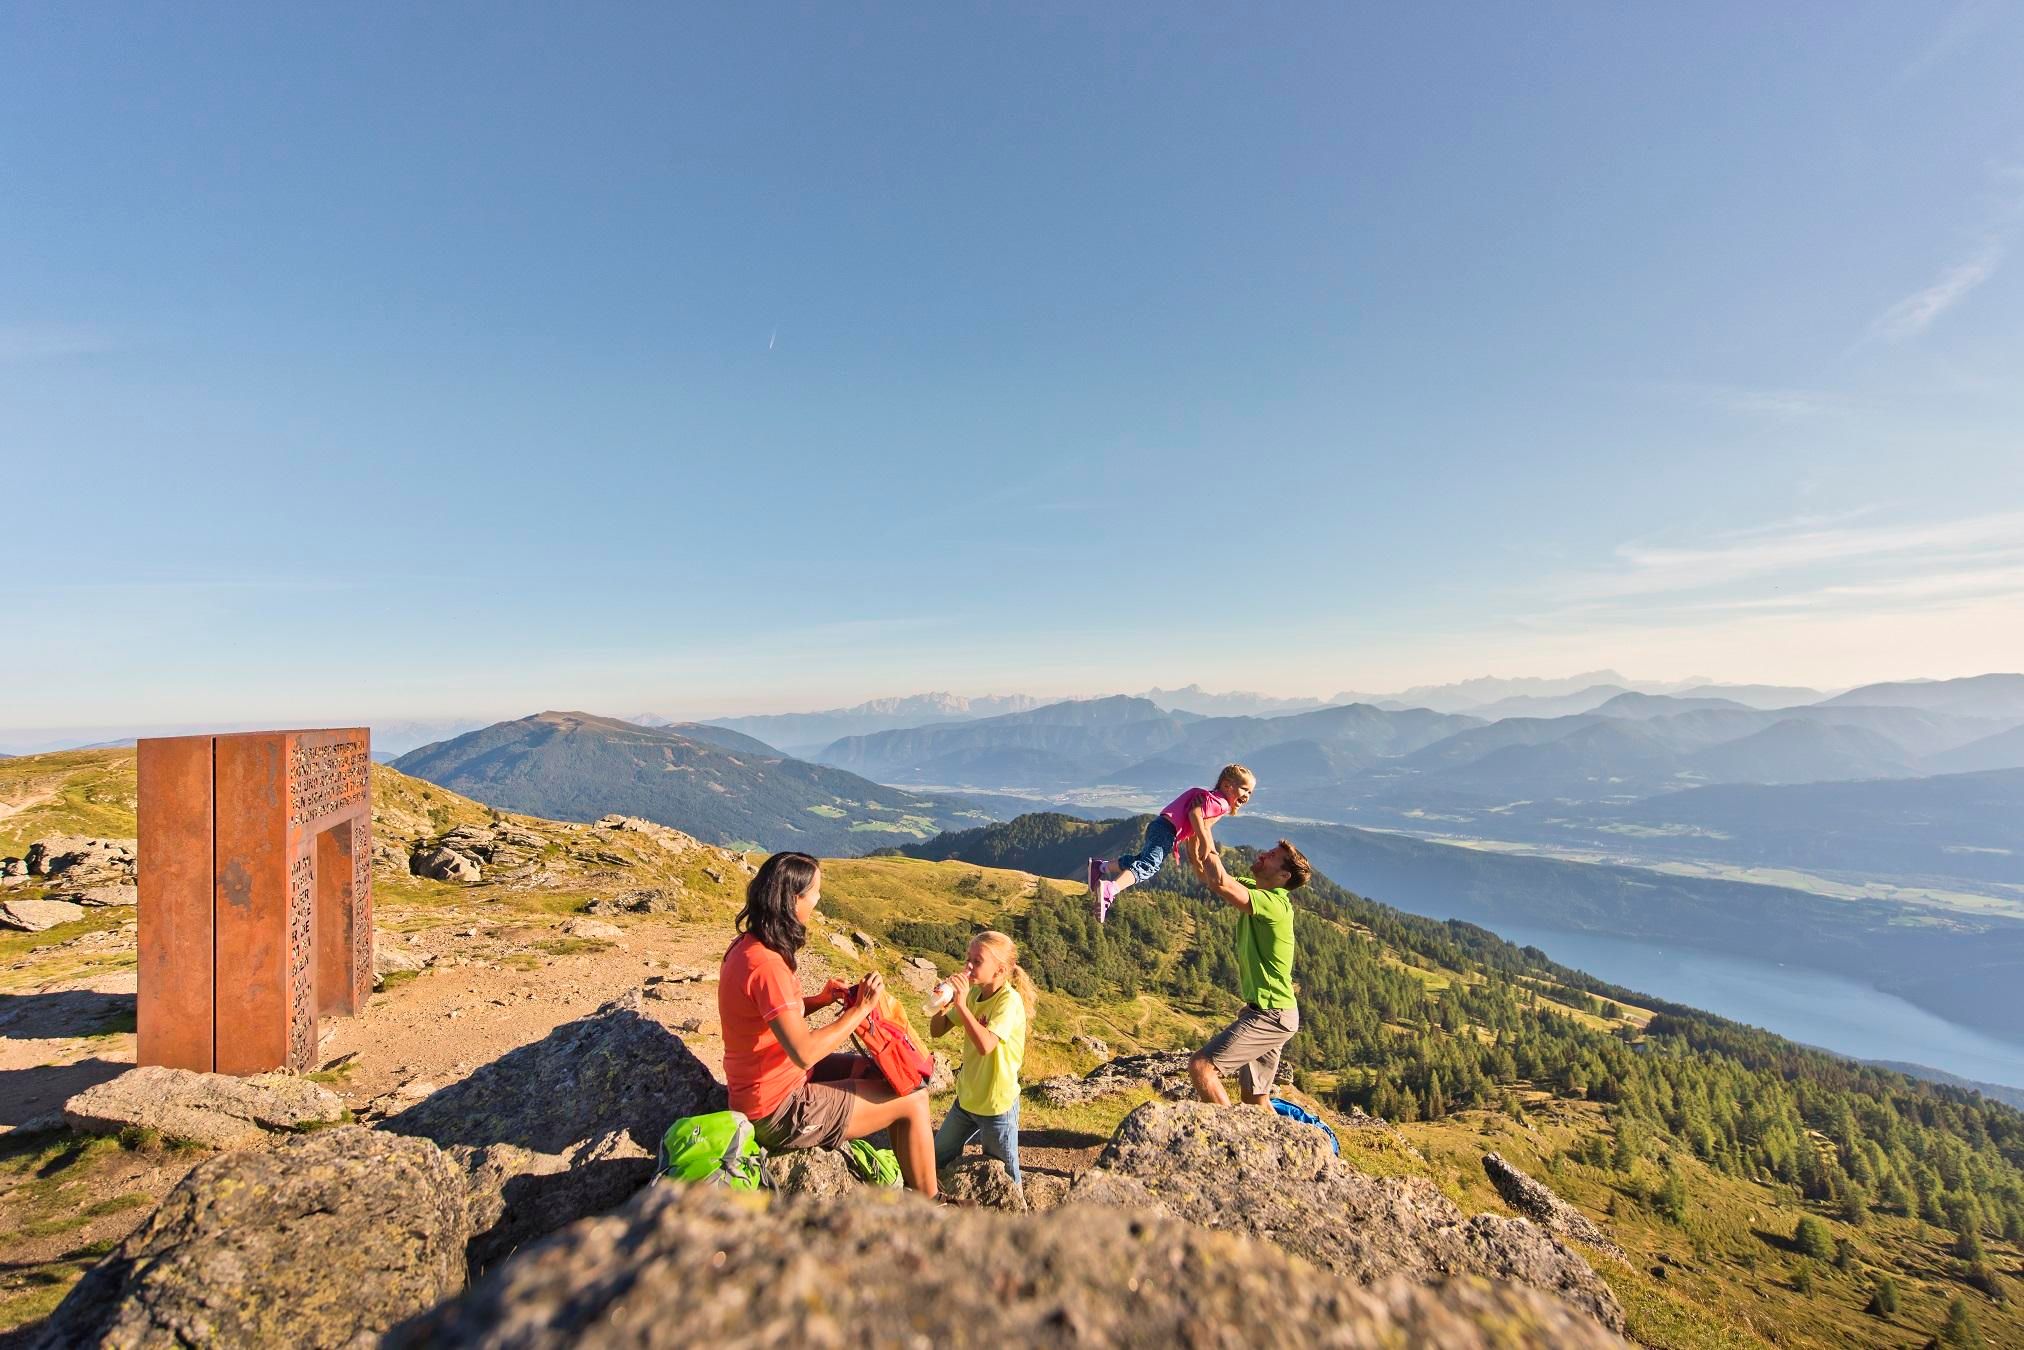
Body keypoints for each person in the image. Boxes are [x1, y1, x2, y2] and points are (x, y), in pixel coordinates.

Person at [717, 850, 938, 1196]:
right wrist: (860, 1010)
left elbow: (773, 1018)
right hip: (776, 1110)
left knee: (889, 1075)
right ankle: (932, 1203)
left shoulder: (749, 946)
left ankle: (914, 1182)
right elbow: (804, 1052)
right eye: (815, 892)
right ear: (794, 899)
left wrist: (820, 1000)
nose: (818, 899)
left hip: (773, 1083)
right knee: (914, 1099)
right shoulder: (768, 966)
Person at [1188, 837, 1310, 1107]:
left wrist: (1202, 826)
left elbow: (1221, 882)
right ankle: (1273, 1136)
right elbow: (1207, 874)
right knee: (1255, 1099)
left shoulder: (1275, 905)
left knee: (1202, 1067)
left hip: (1272, 1014)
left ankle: (1227, 1130)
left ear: (1283, 876)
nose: (1263, 854)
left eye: (1272, 856)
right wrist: (1195, 833)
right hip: (1272, 1012)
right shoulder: (1256, 889)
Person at [930, 930, 1036, 1186]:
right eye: (968, 958)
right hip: (967, 1098)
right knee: (936, 1158)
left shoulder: (1008, 1002)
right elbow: (937, 1031)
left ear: (1000, 970)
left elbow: (986, 1045)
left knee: (1005, 1178)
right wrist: (941, 1003)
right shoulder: (974, 995)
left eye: (977, 961)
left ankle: (1017, 1211)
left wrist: (961, 1005)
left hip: (996, 1104)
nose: (968, 966)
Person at [1087, 764, 1255, 922]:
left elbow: (1194, 831)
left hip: (1160, 826)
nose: (1247, 795)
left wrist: (1196, 860)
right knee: (1148, 866)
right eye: (1244, 789)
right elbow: (1195, 814)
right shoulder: (1221, 803)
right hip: (1167, 831)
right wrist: (1206, 844)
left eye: (1250, 792)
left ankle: (1101, 867)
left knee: (1140, 861)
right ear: (1227, 785)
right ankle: (1111, 889)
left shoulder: (1212, 797)